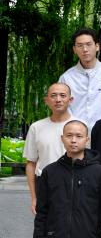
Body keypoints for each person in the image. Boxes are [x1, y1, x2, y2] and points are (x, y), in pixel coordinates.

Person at [24, 83, 76, 216]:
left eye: (63, 95)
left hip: (74, 183)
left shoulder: (81, 126)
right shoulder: (36, 127)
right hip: (45, 184)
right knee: (44, 226)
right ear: (46, 100)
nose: (58, 99)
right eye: (53, 96)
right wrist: (34, 197)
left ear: (70, 100)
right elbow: (31, 163)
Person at [59, 28, 101, 131]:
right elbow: (62, 108)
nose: (85, 49)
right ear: (74, 49)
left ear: (97, 46)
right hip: (76, 134)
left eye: (89, 44)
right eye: (80, 45)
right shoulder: (66, 78)